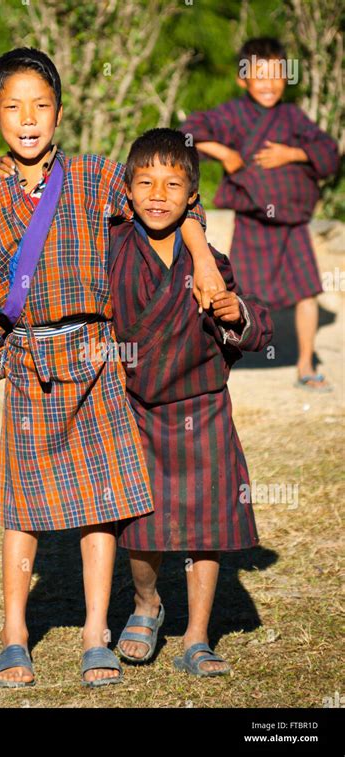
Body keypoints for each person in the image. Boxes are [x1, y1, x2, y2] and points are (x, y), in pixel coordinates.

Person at [0, 47, 223, 688]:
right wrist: (6, 356)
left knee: (100, 504)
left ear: (60, 112)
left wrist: (205, 259)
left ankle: (93, 634)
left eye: (42, 106)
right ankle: (14, 635)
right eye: (15, 108)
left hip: (98, 359)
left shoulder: (92, 178)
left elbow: (168, 203)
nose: (30, 119)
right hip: (32, 364)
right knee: (22, 508)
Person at [108, 128, 273, 675]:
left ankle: (198, 637)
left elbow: (256, 330)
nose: (158, 194)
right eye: (145, 182)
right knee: (142, 526)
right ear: (127, 190)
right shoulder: (111, 247)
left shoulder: (210, 261)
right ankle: (146, 602)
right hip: (139, 408)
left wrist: (234, 314)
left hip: (201, 408)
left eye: (173, 184)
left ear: (191, 198)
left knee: (208, 525)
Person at [180, 37, 340, 392]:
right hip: (253, 222)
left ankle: (304, 364)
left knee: (308, 293)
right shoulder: (232, 115)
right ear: (242, 79)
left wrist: (294, 154)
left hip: (292, 223)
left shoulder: (292, 116)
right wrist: (224, 152)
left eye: (276, 75)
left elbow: (328, 151)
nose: (268, 83)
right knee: (236, 296)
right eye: (259, 74)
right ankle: (216, 359)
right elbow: (187, 133)